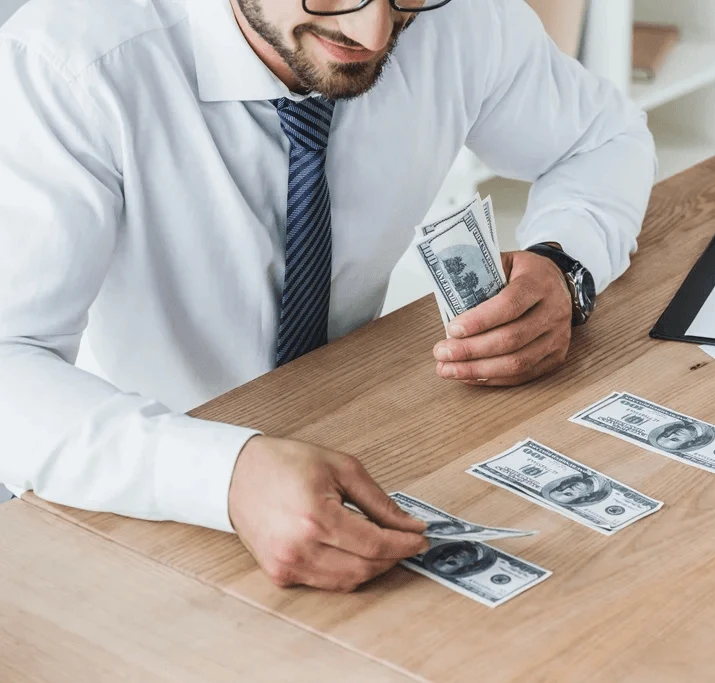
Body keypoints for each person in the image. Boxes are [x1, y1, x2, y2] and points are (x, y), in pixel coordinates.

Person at [0, 0, 655, 592]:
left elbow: (603, 139)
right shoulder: (65, 64)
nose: (371, 33)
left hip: (355, 443)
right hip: (125, 488)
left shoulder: (458, 18)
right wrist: (222, 476)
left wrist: (564, 264)